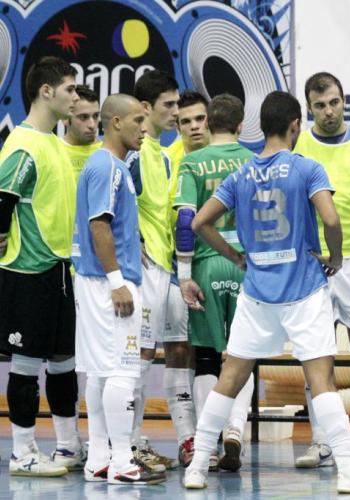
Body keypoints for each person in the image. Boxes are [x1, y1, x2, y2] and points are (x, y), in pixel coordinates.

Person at [182, 90, 350, 493]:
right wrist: (335, 256)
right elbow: (331, 219)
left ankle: (198, 468)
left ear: (262, 127)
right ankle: (348, 469)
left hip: (258, 292)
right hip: (304, 290)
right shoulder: (307, 168)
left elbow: (199, 223)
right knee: (322, 380)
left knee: (229, 378)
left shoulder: (241, 174)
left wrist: (236, 256)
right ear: (296, 125)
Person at [293, 72, 350, 465]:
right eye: (320, 105)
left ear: (344, 100)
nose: (328, 111)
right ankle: (322, 440)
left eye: (333, 102)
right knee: (315, 354)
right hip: (311, 263)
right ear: (309, 109)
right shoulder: (298, 146)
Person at [73, 93, 166, 485]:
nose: (144, 129)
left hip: (97, 280)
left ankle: (98, 458)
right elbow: (99, 225)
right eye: (138, 121)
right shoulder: (107, 167)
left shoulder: (110, 165)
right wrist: (117, 281)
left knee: (100, 372)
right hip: (108, 282)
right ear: (115, 122)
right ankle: (123, 461)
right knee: (123, 371)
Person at [0, 56, 81, 476]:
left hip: (59, 269)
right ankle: (23, 452)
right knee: (27, 364)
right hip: (28, 271)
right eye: (70, 89)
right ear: (46, 91)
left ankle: (68, 447)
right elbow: (2, 200)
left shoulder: (54, 143)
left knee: (64, 361)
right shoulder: (24, 144)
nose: (75, 97)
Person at [174, 93, 255, 471]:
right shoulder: (254, 162)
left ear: (208, 123)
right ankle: (235, 430)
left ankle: (206, 445)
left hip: (207, 263)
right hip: (246, 266)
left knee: (206, 356)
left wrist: (184, 275)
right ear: (240, 126)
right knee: (243, 353)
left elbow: (186, 220)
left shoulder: (192, 162)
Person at [128, 69, 181, 471]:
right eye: (169, 104)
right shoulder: (135, 153)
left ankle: (132, 439)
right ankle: (126, 444)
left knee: (144, 355)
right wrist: (132, 238)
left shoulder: (162, 156)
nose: (176, 111)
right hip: (142, 271)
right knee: (136, 355)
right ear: (146, 108)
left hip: (162, 266)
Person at [164, 89, 210, 467]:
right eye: (185, 121)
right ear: (176, 125)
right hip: (174, 270)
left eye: (200, 119)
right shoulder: (166, 161)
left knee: (214, 354)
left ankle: (215, 436)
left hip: (218, 268)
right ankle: (187, 438)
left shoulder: (228, 157)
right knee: (179, 351)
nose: (194, 127)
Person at [62, 84, 102, 183]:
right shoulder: (53, 152)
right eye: (83, 117)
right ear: (65, 118)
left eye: (95, 116)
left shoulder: (109, 153)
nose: (92, 125)